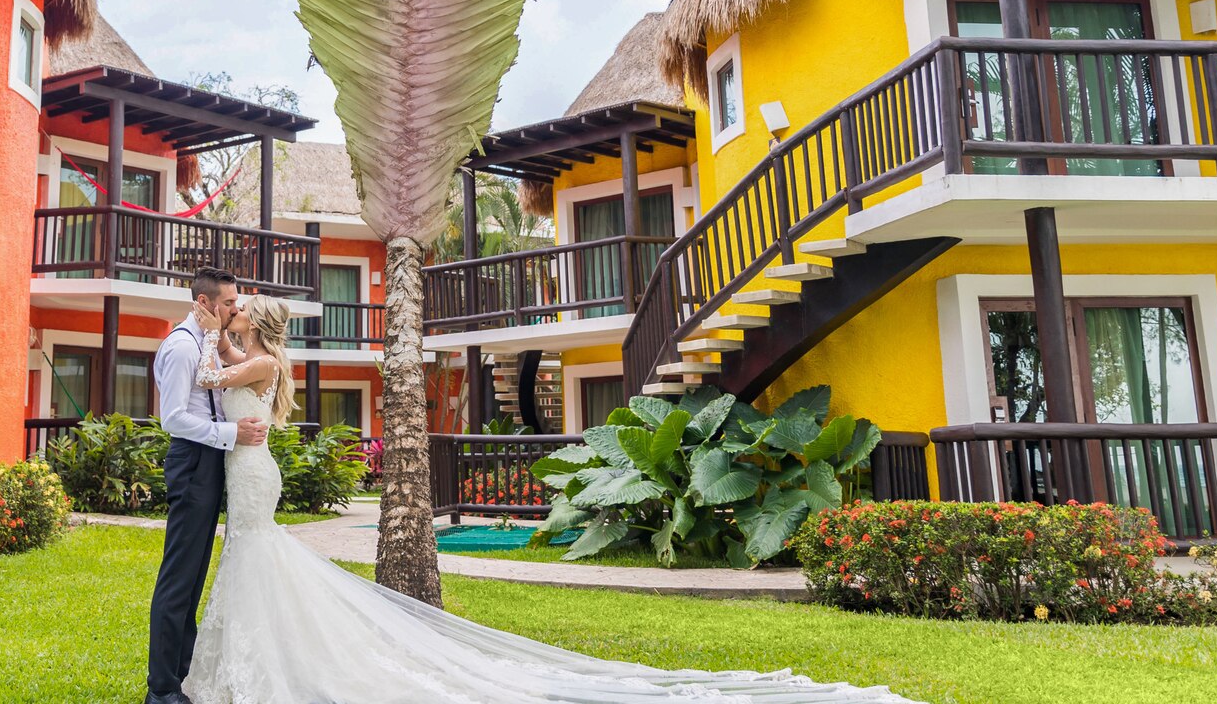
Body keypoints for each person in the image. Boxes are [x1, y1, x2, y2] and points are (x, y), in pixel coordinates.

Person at [181, 294, 915, 704]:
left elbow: (211, 379)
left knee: (258, 553)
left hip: (253, 472)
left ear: (259, 328)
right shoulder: (257, 354)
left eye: (241, 313)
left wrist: (205, 335)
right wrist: (219, 337)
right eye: (231, 312)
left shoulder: (266, 357)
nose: (233, 316)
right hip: (249, 468)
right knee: (253, 555)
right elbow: (220, 374)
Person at [145, 267, 268, 704]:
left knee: (194, 575)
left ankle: (181, 677)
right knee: (179, 576)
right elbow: (174, 418)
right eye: (230, 302)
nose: (235, 308)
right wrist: (233, 435)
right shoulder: (181, 346)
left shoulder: (208, 343)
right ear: (204, 302)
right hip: (193, 460)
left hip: (211, 460)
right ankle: (161, 690)